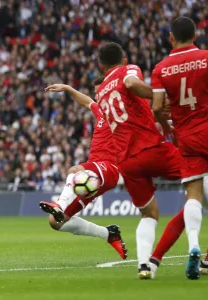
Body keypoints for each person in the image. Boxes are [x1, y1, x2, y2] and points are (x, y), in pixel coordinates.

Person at [95, 42, 187, 279]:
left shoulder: (101, 91)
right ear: (124, 59)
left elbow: (129, 119)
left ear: (100, 65)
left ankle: (144, 266)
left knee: (149, 214)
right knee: (200, 175)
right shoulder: (128, 71)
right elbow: (132, 84)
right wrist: (160, 99)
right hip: (150, 149)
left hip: (127, 162)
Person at [151, 16, 208, 280]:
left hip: (187, 136)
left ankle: (193, 247)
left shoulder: (160, 68)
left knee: (192, 196)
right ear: (196, 35)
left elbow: (157, 107)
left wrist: (168, 127)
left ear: (171, 38)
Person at [39, 78, 127, 260]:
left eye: (100, 92)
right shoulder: (101, 110)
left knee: (74, 170)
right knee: (56, 222)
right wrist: (68, 88)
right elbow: (87, 101)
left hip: (110, 167)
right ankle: (109, 234)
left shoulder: (123, 113)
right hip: (95, 172)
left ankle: (59, 204)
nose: (97, 96)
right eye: (96, 93)